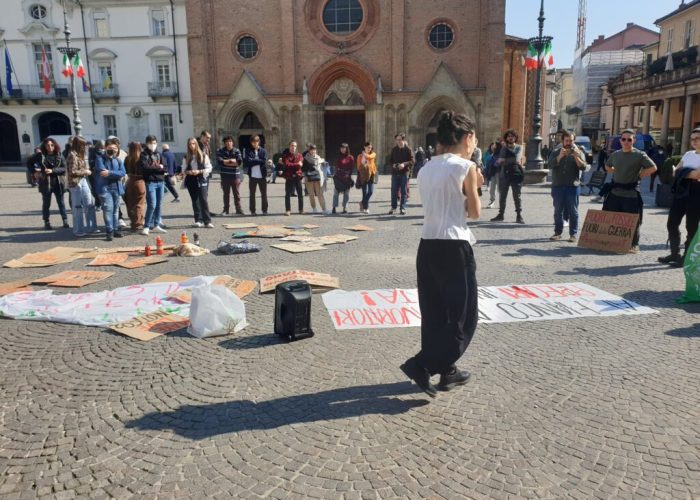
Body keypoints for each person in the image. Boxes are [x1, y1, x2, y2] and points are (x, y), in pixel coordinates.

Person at [400, 110, 483, 397]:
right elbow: (474, 212)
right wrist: (473, 185)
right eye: (472, 138)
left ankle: (447, 372)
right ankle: (421, 364)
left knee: (434, 312)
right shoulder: (465, 167)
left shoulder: (425, 169)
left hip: (428, 244)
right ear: (466, 138)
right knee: (463, 316)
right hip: (454, 245)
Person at [603, 129, 657, 253]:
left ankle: (633, 244)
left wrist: (641, 175)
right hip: (615, 192)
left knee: (633, 221)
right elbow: (607, 166)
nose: (626, 142)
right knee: (612, 218)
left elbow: (653, 167)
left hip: (631, 194)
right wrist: (614, 172)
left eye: (629, 139)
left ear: (634, 141)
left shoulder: (640, 155)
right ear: (620, 141)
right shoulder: (615, 154)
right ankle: (611, 242)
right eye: (624, 139)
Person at [658, 127, 700, 267]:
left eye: (697, 138)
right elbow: (675, 172)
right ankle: (674, 254)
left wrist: (683, 172)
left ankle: (687, 258)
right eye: (692, 138)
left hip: (696, 193)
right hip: (682, 191)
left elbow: (697, 175)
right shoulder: (688, 154)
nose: (694, 141)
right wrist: (687, 172)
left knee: (691, 226)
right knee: (672, 223)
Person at [547, 131, 586, 242]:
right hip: (558, 186)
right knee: (558, 210)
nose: (569, 143)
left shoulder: (579, 152)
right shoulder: (556, 151)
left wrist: (576, 157)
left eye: (571, 140)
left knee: (573, 211)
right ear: (563, 141)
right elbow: (549, 165)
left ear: (574, 141)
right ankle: (557, 233)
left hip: (572, 187)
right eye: (567, 140)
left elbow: (584, 167)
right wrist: (559, 156)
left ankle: (573, 234)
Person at [491, 129, 525, 224]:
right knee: (503, 195)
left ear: (515, 138)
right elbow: (499, 160)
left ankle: (519, 215)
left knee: (517, 196)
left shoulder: (519, 147)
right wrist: (503, 160)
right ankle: (501, 214)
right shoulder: (503, 148)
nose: (510, 138)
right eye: (509, 136)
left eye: (512, 136)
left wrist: (504, 160)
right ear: (506, 138)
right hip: (504, 174)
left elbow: (517, 159)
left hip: (516, 174)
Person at [66, 136, 98, 237]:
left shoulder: (80, 154)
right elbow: (72, 172)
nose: (85, 147)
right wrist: (85, 171)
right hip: (75, 183)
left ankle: (92, 227)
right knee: (77, 207)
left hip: (83, 180)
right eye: (83, 145)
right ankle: (78, 230)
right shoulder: (72, 155)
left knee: (90, 203)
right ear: (78, 145)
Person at [95, 141, 126, 241]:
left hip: (116, 188)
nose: (113, 149)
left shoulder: (118, 160)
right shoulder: (100, 158)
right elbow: (101, 171)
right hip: (105, 188)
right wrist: (114, 174)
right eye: (110, 147)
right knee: (108, 209)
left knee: (116, 209)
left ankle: (116, 229)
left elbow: (122, 172)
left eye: (115, 148)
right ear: (106, 148)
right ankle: (109, 231)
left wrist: (109, 172)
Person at [35, 137, 68, 230]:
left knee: (61, 203)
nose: (50, 147)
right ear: (44, 146)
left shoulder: (59, 155)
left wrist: (52, 170)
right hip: (46, 182)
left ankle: (65, 220)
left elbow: (64, 169)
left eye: (52, 145)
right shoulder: (40, 156)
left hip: (58, 182)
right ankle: (47, 222)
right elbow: (29, 163)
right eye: (47, 145)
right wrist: (34, 171)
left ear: (54, 145)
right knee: (46, 203)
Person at [181, 137, 214, 228]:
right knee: (195, 200)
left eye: (193, 143)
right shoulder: (186, 156)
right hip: (191, 179)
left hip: (201, 178)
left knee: (203, 200)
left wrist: (199, 171)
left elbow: (209, 168)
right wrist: (189, 172)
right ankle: (198, 220)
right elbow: (183, 169)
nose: (192, 146)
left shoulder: (203, 155)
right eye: (190, 144)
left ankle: (207, 221)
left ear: (196, 144)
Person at [139, 135, 167, 235]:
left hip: (160, 181)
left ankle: (156, 224)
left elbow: (165, 167)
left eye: (154, 143)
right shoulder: (143, 154)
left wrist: (157, 167)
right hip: (150, 182)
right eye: (151, 143)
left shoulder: (158, 153)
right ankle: (146, 226)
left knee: (159, 205)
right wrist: (158, 167)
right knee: (152, 205)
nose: (153, 145)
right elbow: (145, 167)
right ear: (147, 143)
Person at [217, 135, 244, 216]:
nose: (229, 143)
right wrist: (231, 161)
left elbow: (239, 162)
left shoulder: (237, 151)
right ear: (225, 143)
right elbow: (220, 162)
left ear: (233, 142)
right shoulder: (220, 151)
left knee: (237, 194)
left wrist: (226, 162)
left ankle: (238, 209)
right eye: (227, 142)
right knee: (226, 194)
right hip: (225, 176)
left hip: (235, 176)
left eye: (230, 141)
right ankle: (226, 210)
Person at [388, 133, 415, 215]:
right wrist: (393, 164)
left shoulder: (408, 149)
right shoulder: (394, 149)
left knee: (403, 192)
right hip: (395, 173)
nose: (398, 141)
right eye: (397, 140)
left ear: (403, 140)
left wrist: (404, 164)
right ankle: (393, 207)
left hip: (404, 173)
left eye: (399, 140)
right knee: (394, 191)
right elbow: (390, 160)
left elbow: (412, 161)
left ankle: (402, 208)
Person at [243, 135, 268, 215]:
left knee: (264, 194)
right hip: (252, 176)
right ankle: (252, 211)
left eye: (256, 141)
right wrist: (258, 161)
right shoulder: (248, 151)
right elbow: (248, 162)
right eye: (253, 142)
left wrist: (253, 161)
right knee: (252, 194)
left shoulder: (263, 151)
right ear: (251, 143)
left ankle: (264, 210)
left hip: (262, 176)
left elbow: (264, 161)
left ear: (259, 142)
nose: (255, 143)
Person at [125, 141, 146, 232]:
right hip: (140, 181)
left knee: (130, 203)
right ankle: (138, 223)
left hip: (130, 181)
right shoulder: (142, 157)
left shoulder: (127, 158)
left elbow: (125, 170)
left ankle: (133, 222)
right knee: (139, 203)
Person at [302, 144, 328, 214]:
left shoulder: (319, 158)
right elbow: (303, 169)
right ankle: (314, 208)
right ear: (309, 150)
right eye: (311, 150)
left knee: (320, 194)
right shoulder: (305, 158)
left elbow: (322, 167)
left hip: (317, 178)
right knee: (311, 194)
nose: (313, 151)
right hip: (309, 178)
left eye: (314, 150)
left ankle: (324, 209)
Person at [281, 141, 304, 216]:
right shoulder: (286, 156)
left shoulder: (299, 155)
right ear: (289, 146)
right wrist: (297, 164)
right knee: (287, 194)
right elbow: (287, 165)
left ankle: (301, 209)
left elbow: (300, 166)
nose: (293, 147)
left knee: (300, 194)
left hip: (298, 177)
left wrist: (295, 165)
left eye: (294, 146)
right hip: (289, 177)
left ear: (296, 147)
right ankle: (288, 210)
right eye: (291, 145)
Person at [332, 143, 354, 214]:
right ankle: (334, 207)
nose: (342, 149)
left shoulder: (350, 157)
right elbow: (336, 167)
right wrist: (336, 174)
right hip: (338, 177)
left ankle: (345, 207)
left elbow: (351, 168)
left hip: (347, 177)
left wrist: (348, 175)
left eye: (344, 148)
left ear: (347, 149)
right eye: (341, 148)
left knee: (346, 193)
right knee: (336, 192)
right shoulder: (338, 157)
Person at [356, 141, 377, 214]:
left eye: (371, 147)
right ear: (364, 147)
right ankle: (366, 208)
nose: (369, 149)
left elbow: (370, 157)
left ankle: (362, 202)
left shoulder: (373, 154)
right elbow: (358, 166)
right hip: (363, 175)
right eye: (368, 147)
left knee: (370, 191)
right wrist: (363, 163)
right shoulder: (359, 156)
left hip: (371, 174)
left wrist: (365, 155)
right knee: (364, 192)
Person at [485, 142, 501, 208]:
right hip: (493, 173)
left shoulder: (501, 154)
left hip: (499, 173)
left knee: (500, 189)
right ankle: (492, 201)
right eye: (492, 146)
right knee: (492, 188)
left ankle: (501, 202)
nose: (492, 147)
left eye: (494, 146)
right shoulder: (492, 154)